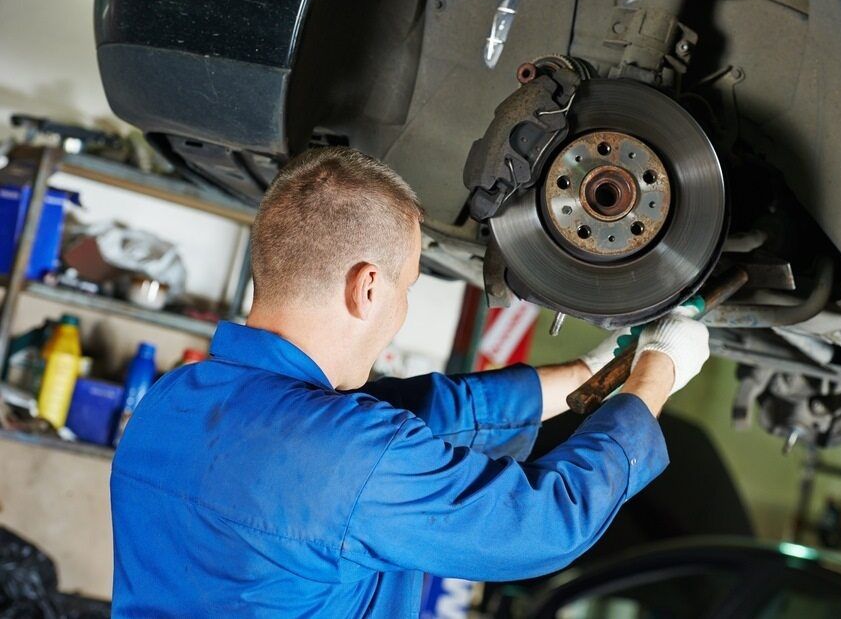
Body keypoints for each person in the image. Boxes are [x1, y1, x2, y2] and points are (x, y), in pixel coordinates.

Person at [110, 147, 710, 617]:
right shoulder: (347, 455)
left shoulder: (173, 400)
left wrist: (591, 370)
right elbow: (544, 521)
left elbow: (424, 413)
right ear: (368, 287)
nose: (400, 308)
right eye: (407, 287)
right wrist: (661, 369)